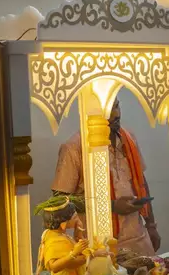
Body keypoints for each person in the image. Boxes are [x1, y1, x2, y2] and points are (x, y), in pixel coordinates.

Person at [52, 99, 160, 256]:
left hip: (138, 238)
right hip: (98, 246)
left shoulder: (129, 138)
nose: (116, 114)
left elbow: (141, 181)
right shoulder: (74, 147)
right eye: (108, 110)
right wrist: (111, 206)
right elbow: (60, 201)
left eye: (116, 106)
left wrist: (151, 225)